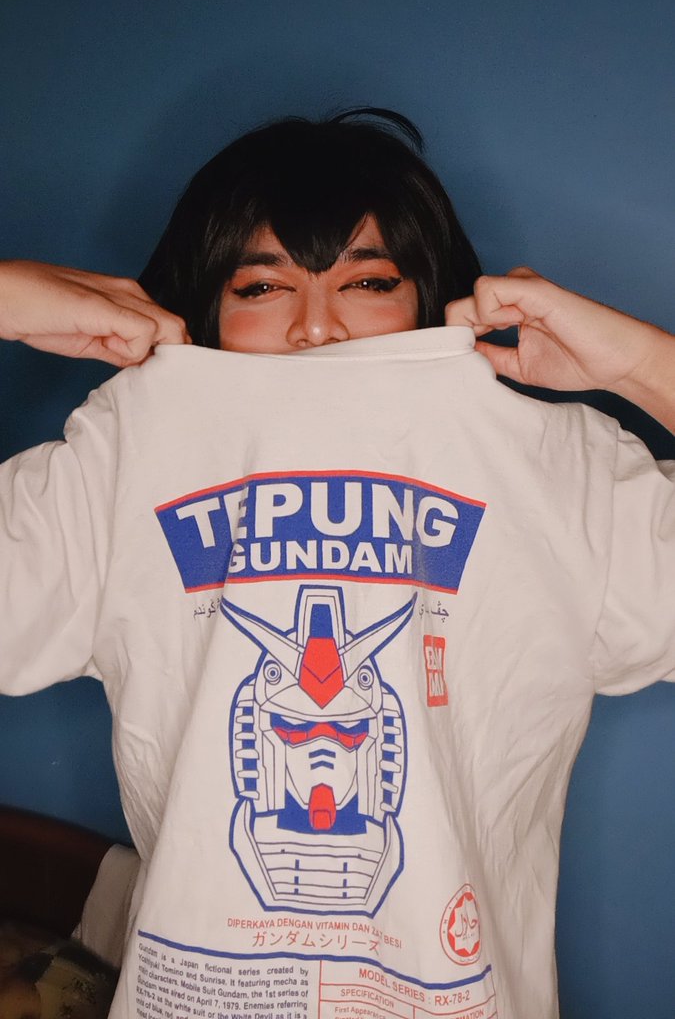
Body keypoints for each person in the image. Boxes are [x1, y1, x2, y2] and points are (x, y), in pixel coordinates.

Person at [0, 109, 673, 1019]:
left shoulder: (554, 465)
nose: (317, 328)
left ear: (429, 295)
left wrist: (638, 363)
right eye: (261, 286)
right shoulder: (124, 457)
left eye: (368, 281)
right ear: (205, 308)